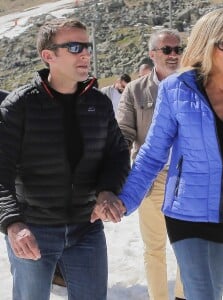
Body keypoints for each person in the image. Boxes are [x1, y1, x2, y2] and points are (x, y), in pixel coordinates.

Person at [92, 8, 223, 300]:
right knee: (202, 294)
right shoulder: (177, 89)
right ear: (206, 44)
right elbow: (152, 154)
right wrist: (124, 202)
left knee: (211, 293)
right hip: (185, 214)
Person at [0, 18, 130, 300]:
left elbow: (117, 154)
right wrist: (12, 223)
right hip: (33, 231)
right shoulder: (19, 106)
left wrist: (107, 190)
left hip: (87, 230)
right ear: (49, 56)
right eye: (74, 47)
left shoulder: (100, 102)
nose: (85, 53)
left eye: (87, 46)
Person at [116, 28, 185, 300]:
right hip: (152, 179)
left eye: (177, 49)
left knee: (188, 246)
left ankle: (183, 296)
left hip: (188, 179)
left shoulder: (194, 84)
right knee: (154, 248)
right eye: (166, 50)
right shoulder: (134, 91)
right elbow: (123, 133)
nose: (173, 55)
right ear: (152, 54)